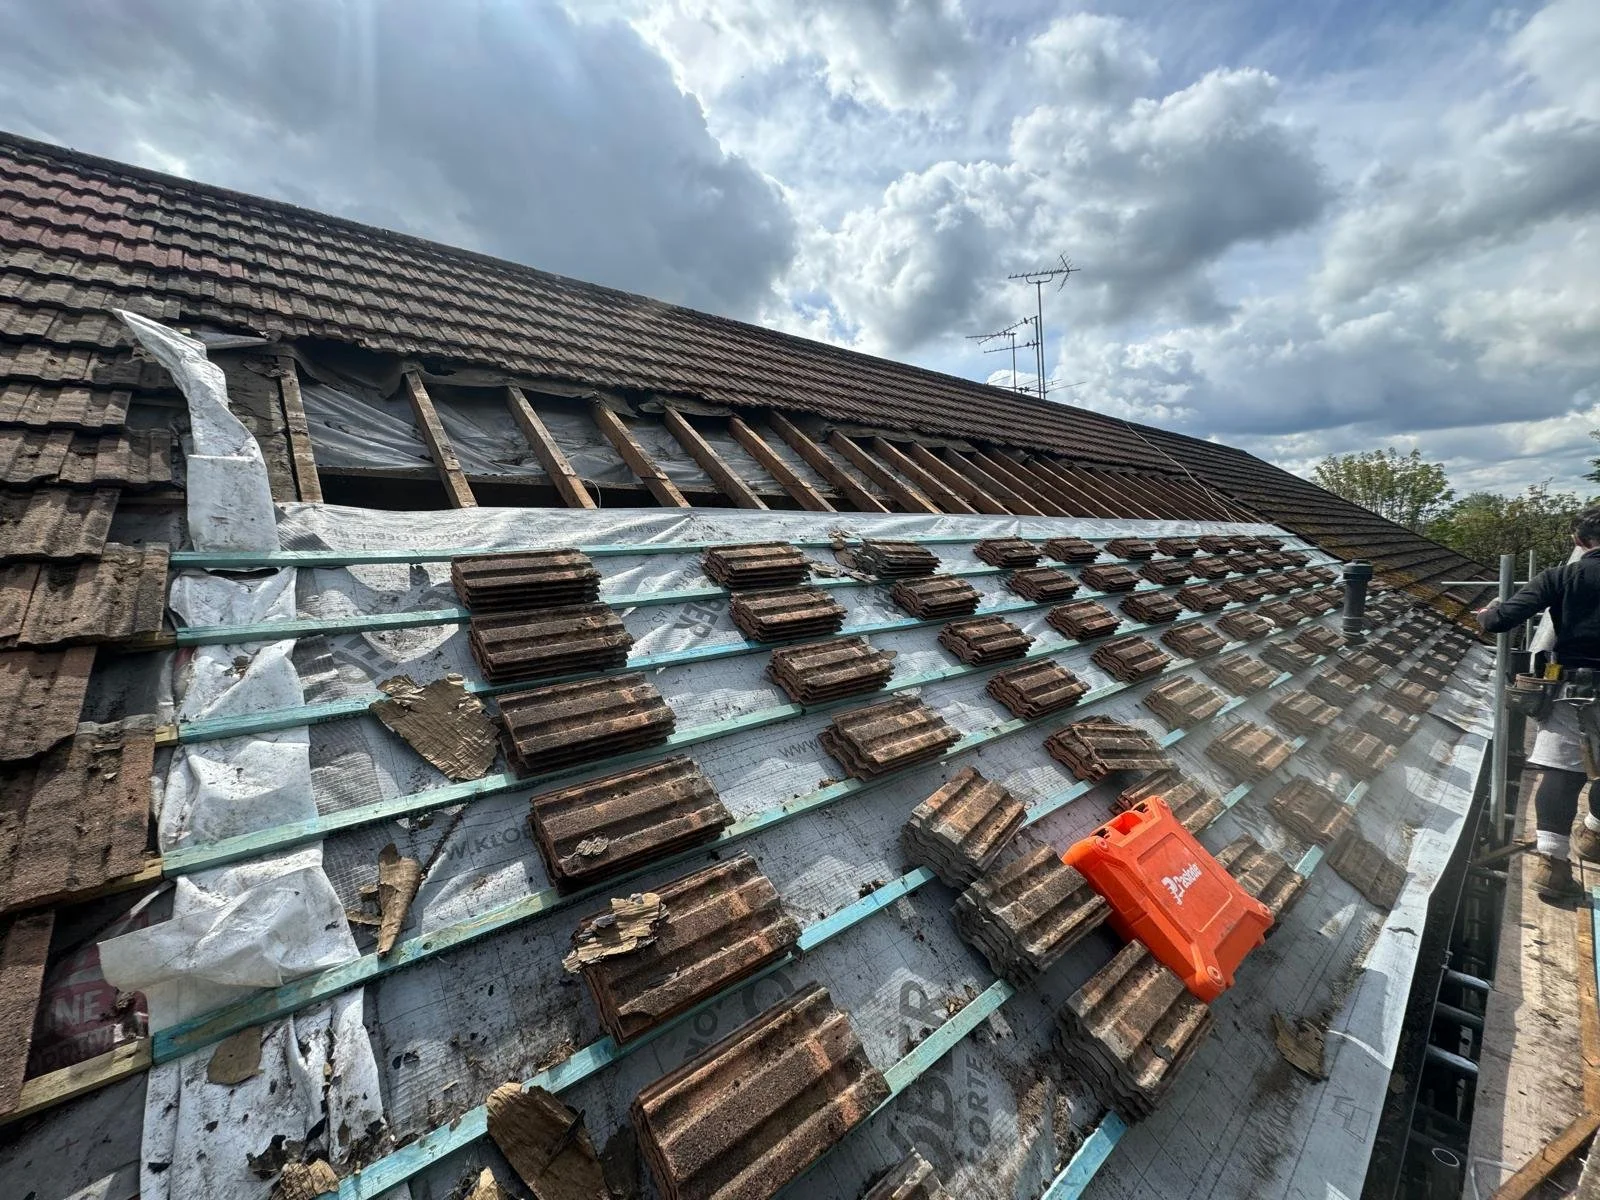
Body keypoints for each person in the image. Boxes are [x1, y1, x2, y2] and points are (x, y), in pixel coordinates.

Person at [1478, 507, 1600, 900]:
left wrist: (1487, 614)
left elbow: (1501, 620)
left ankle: (1552, 864)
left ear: (1579, 542)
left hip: (1577, 690)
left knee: (1563, 774)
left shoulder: (1563, 576)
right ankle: (1595, 833)